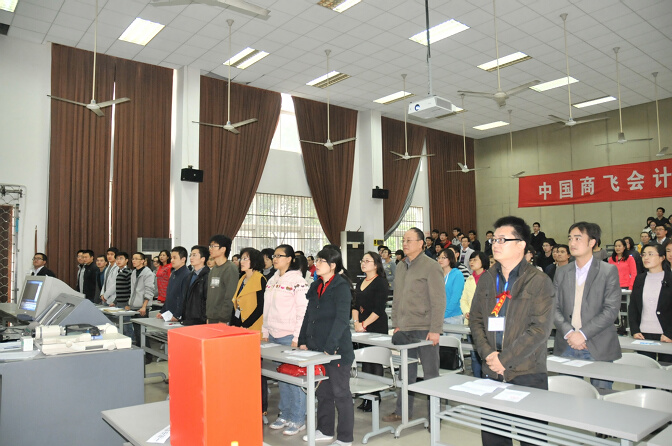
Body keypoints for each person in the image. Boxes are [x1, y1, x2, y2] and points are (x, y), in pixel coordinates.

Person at [469, 216, 554, 446]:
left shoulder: (538, 281)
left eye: (502, 239)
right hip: (492, 369)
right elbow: (475, 319)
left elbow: (539, 329)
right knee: (494, 437)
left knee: (532, 438)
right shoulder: (487, 279)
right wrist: (488, 354)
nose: (495, 244)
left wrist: (504, 359)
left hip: (527, 371)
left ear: (521, 244)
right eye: (494, 240)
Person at [383, 228, 445, 423]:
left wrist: (435, 329)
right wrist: (396, 324)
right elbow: (397, 298)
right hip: (405, 328)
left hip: (425, 328)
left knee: (431, 373)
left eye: (409, 240)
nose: (405, 243)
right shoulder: (401, 266)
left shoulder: (431, 266)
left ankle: (435, 416)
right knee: (406, 372)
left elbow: (438, 300)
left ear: (421, 243)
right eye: (403, 240)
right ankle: (402, 411)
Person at [553, 222, 621, 390]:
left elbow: (611, 310)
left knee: (602, 397)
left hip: (598, 344)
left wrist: (582, 334)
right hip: (567, 343)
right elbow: (553, 306)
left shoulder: (608, 271)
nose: (572, 243)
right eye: (570, 238)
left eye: (578, 238)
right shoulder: (561, 272)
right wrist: (570, 333)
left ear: (592, 242)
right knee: (568, 396)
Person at [297, 248, 354, 445]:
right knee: (323, 393)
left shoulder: (341, 286)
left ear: (333, 265)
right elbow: (308, 315)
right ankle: (325, 430)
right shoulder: (316, 286)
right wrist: (302, 340)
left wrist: (330, 347)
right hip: (317, 348)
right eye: (317, 260)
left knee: (341, 393)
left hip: (336, 350)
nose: (317, 264)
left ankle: (345, 438)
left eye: (321, 261)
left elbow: (342, 320)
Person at [263, 244, 309, 436]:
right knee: (282, 377)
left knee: (294, 378)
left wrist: (297, 337)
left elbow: (302, 311)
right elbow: (266, 308)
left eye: (279, 256)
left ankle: (298, 418)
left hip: (289, 335)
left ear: (289, 259)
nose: (275, 259)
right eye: (274, 256)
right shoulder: (272, 280)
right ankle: (285, 414)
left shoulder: (298, 281)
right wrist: (265, 331)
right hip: (273, 335)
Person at [230, 247, 268, 418]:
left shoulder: (260, 279)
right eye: (241, 258)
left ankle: (261, 406)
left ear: (254, 261)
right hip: (241, 330)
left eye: (246, 258)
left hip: (254, 329)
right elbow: (237, 306)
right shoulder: (242, 279)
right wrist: (234, 326)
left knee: (257, 371)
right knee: (243, 369)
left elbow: (261, 307)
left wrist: (245, 325)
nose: (242, 261)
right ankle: (245, 401)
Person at [352, 251, 389, 412]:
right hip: (361, 326)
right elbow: (354, 305)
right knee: (365, 360)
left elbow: (379, 309)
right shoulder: (361, 282)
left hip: (376, 326)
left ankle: (375, 396)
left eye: (367, 261)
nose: (363, 263)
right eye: (362, 260)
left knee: (375, 361)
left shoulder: (380, 282)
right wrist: (356, 323)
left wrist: (364, 324)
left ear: (376, 264)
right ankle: (367, 396)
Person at [628, 243, 672, 363]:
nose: (646, 258)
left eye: (650, 254)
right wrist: (635, 330)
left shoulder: (670, 278)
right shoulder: (640, 279)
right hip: (643, 334)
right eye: (644, 255)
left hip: (666, 335)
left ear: (662, 257)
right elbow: (633, 307)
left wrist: (670, 333)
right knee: (645, 368)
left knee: (666, 370)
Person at [460, 251, 490, 378]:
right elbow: (463, 300)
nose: (472, 262)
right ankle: (477, 379)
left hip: (486, 323)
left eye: (475, 260)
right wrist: (467, 312)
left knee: (487, 353)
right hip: (472, 321)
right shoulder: (469, 279)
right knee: (474, 355)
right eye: (471, 260)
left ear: (483, 262)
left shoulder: (490, 278)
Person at [206, 235, 238, 324]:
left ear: (223, 249)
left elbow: (230, 296)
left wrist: (224, 318)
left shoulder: (230, 268)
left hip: (222, 319)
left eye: (214, 246)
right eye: (210, 246)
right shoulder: (214, 269)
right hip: (212, 317)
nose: (210, 249)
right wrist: (208, 316)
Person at [126, 252, 155, 345]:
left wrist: (144, 306)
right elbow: (132, 290)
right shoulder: (134, 272)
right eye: (133, 259)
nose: (133, 261)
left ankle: (147, 352)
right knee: (137, 332)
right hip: (134, 306)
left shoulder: (148, 273)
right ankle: (140, 350)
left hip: (142, 307)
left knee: (142, 332)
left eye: (136, 259)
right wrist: (129, 304)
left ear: (142, 261)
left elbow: (149, 290)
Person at [157, 247, 190, 322]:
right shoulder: (173, 274)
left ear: (183, 259)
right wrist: (162, 311)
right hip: (169, 314)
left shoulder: (187, 275)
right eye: (171, 258)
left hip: (177, 316)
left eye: (174, 258)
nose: (172, 260)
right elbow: (169, 295)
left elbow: (184, 298)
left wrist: (177, 315)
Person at [181, 245, 209, 326]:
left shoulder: (207, 276)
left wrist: (204, 317)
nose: (191, 258)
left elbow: (207, 300)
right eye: (190, 255)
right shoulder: (189, 276)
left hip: (200, 319)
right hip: (188, 317)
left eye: (194, 255)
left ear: (203, 259)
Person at [438, 248, 465, 326]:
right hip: (438, 316)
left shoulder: (457, 274)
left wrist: (444, 314)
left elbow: (455, 297)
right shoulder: (438, 275)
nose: (440, 260)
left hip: (453, 317)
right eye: (439, 258)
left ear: (450, 259)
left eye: (443, 257)